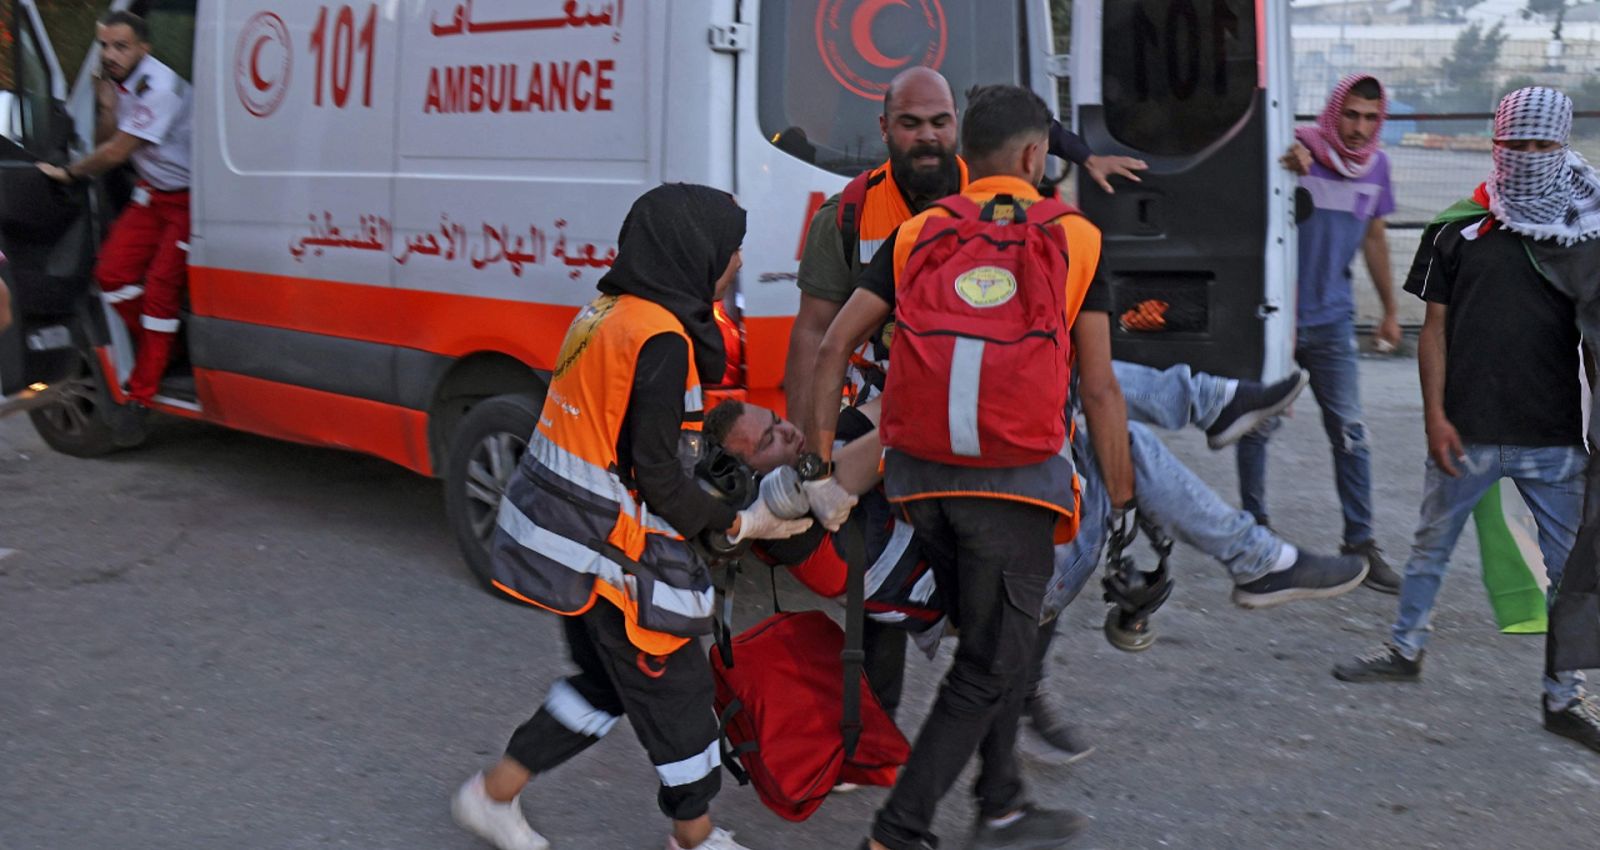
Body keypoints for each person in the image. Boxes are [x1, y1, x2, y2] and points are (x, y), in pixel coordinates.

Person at [803, 83, 1127, 850]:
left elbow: (829, 346)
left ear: (963, 154)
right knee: (986, 664)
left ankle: (1002, 802)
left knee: (999, 637)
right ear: (1035, 156)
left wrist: (820, 465)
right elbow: (1104, 388)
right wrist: (1127, 500)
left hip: (921, 483)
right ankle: (899, 832)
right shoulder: (1074, 236)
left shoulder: (919, 233)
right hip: (1015, 488)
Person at [450, 184, 812, 850]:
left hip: (567, 544)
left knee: (603, 684)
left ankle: (492, 795)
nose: (734, 266)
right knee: (675, 690)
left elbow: (626, 439)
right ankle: (695, 838)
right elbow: (655, 471)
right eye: (730, 253)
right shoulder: (662, 337)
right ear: (692, 253)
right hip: (611, 551)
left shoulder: (607, 310)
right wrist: (731, 521)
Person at [1332, 87, 1599, 754]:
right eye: (1519, 145)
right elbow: (1435, 331)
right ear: (1497, 144)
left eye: (1544, 145)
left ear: (1562, 146)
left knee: (1569, 571)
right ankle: (1404, 649)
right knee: (1429, 549)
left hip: (1554, 439)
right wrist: (1435, 418)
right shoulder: (1456, 229)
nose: (1532, 157)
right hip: (1466, 433)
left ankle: (1564, 697)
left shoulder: (1580, 239)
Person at [782, 66, 1145, 432]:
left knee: (1130, 436)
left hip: (1003, 406)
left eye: (940, 122)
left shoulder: (1009, 208)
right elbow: (815, 334)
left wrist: (1086, 156)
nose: (927, 136)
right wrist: (801, 447)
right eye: (911, 124)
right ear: (884, 127)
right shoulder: (848, 216)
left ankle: (1197, 396)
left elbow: (1030, 122)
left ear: (958, 124)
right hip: (888, 410)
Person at [1236, 74, 1402, 593]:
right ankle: (1255, 535)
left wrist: (1390, 309)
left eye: (1370, 118)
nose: (1358, 127)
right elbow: (1251, 201)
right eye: (1351, 114)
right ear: (1334, 112)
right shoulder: (1297, 152)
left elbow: (1374, 238)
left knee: (1352, 434)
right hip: (1276, 319)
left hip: (1331, 323)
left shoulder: (1377, 169)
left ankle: (1360, 544)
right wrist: (1281, 168)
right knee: (1258, 426)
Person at [35, 11, 191, 404]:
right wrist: (106, 107)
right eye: (104, 46)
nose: (109, 54)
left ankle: (144, 388)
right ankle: (164, 347)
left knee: (159, 288)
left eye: (120, 46)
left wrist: (70, 173)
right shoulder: (118, 82)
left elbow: (117, 152)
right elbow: (106, 139)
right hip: (153, 192)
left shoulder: (160, 86)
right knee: (111, 274)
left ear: (144, 48)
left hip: (189, 199)